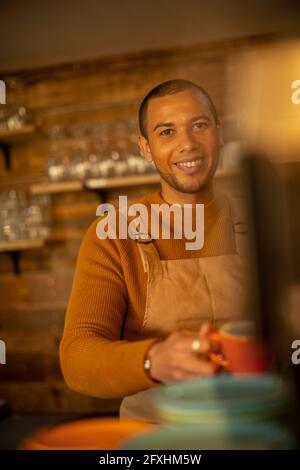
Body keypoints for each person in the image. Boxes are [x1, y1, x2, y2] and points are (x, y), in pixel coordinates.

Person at [60, 79, 250, 423]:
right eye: (167, 132)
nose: (188, 144)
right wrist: (153, 360)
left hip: (263, 431)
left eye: (199, 125)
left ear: (219, 133)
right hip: (158, 439)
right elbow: (77, 359)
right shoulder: (114, 236)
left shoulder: (265, 221)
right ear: (145, 148)